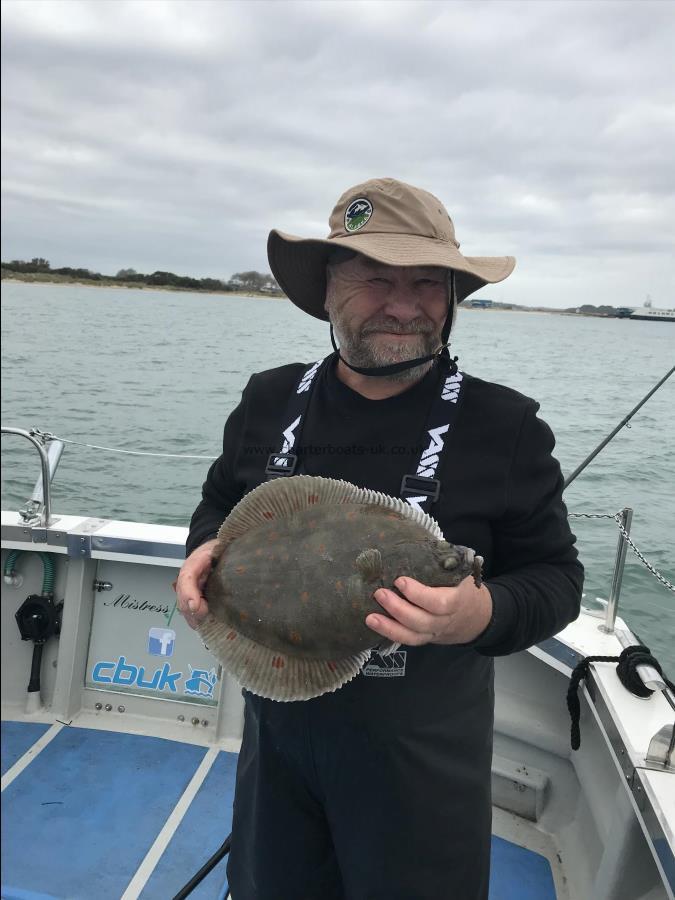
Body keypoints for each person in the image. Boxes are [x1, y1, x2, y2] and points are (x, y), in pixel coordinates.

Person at [176, 177, 583, 900]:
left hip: (421, 760)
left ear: (452, 297)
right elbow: (218, 503)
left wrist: (478, 615)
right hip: (278, 747)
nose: (402, 305)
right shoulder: (268, 399)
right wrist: (205, 549)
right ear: (328, 287)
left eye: (427, 282)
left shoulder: (506, 426)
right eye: (373, 279)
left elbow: (554, 580)